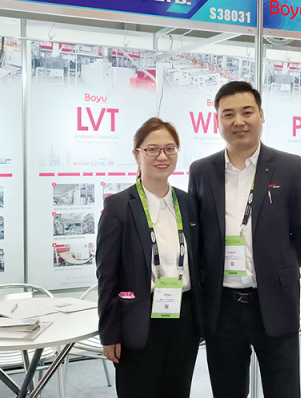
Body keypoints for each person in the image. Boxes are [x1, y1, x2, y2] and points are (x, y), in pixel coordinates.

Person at [188, 81, 301, 398]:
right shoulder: (201, 171)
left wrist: (278, 267)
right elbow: (197, 237)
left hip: (274, 300)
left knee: (283, 390)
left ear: (261, 115)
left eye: (247, 112)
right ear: (217, 120)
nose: (239, 121)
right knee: (227, 391)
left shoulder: (291, 167)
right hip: (221, 306)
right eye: (228, 114)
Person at [96, 117, 203, 398]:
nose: (162, 156)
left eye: (170, 149)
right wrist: (109, 333)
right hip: (138, 319)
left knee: (178, 391)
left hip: (184, 318)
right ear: (137, 155)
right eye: (152, 149)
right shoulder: (118, 206)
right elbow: (107, 276)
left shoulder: (188, 203)